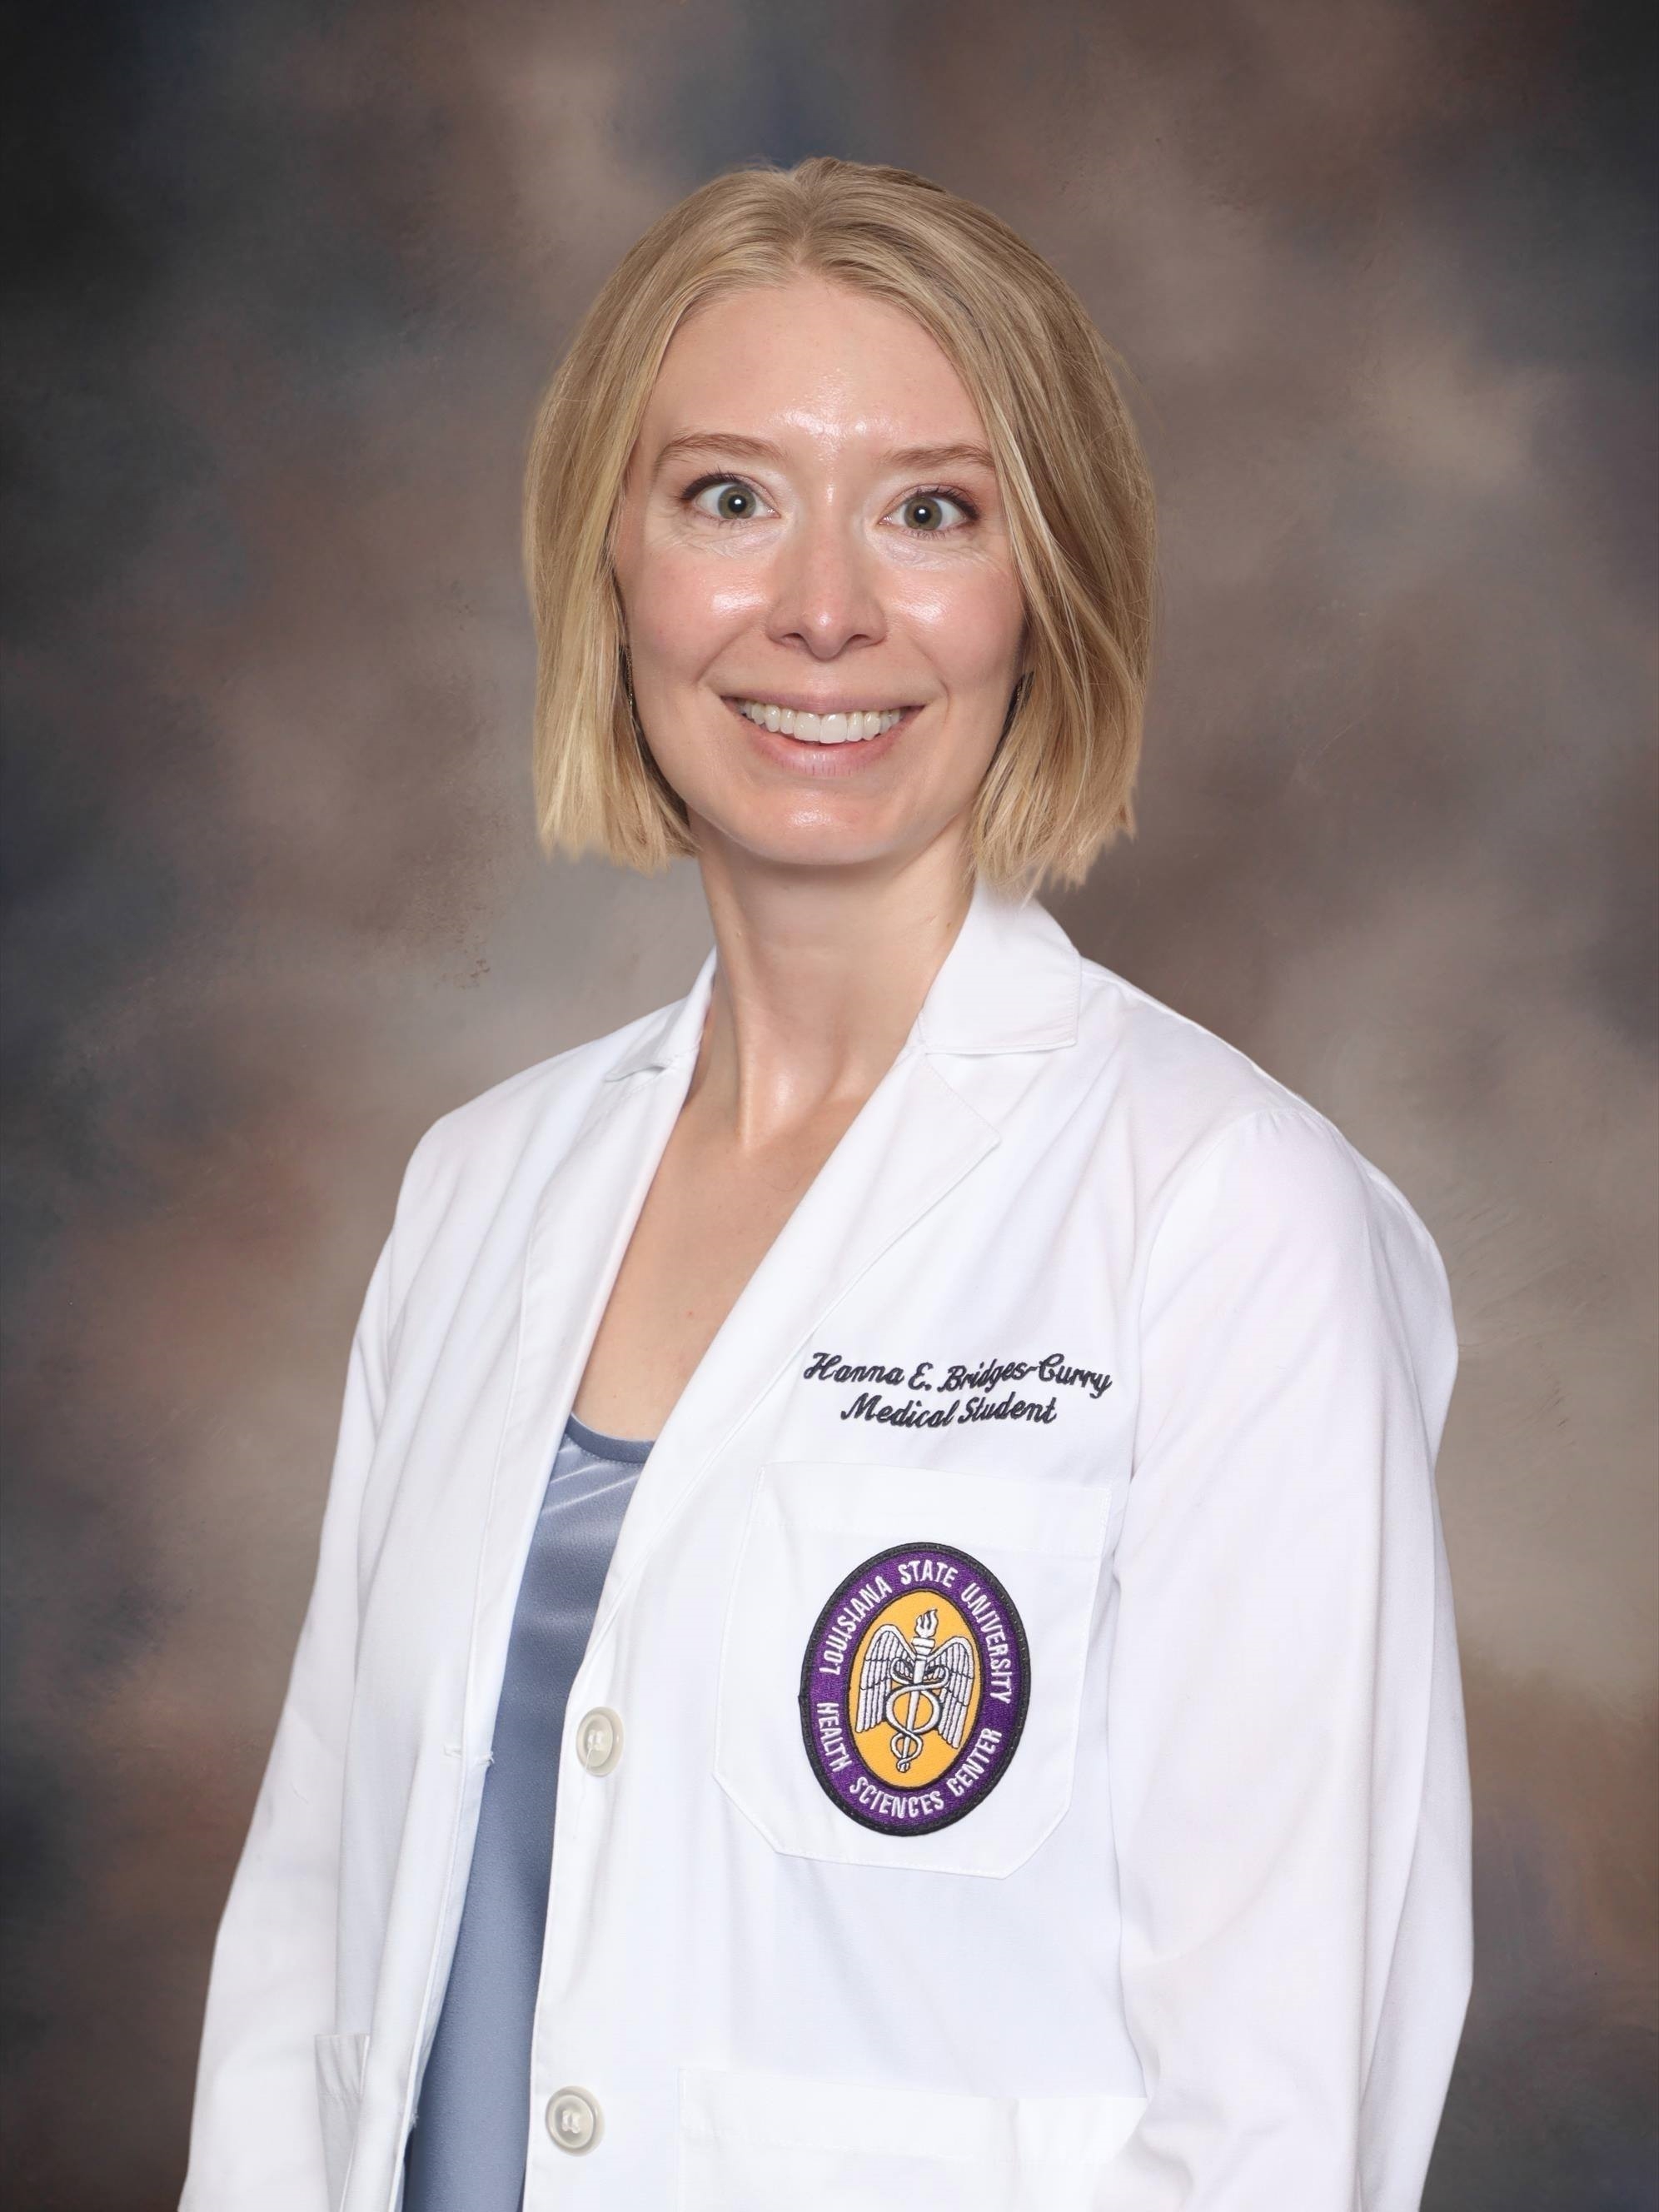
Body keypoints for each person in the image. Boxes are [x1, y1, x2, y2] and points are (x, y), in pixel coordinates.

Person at [179, 156, 1472, 2212]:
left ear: (1050, 584)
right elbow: (302, 1979)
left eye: (932, 509)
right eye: (729, 495)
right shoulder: (479, 1191)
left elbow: (1278, 2118)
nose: (825, 608)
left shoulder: (1229, 1220)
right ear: (611, 559)